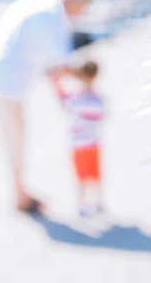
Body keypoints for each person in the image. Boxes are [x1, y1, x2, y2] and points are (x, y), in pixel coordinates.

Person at [0, 0, 93, 213]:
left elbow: (49, 65)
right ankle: (20, 197)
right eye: (82, 10)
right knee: (16, 140)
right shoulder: (53, 15)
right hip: (4, 84)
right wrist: (84, 88)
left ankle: (21, 193)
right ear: (76, 2)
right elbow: (59, 67)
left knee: (12, 138)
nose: (80, 16)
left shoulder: (39, 1)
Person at [56, 61, 106, 217]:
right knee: (92, 176)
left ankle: (87, 204)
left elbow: (65, 103)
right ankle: (94, 203)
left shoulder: (79, 100)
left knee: (84, 177)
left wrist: (57, 82)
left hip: (82, 145)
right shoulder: (96, 99)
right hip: (90, 143)